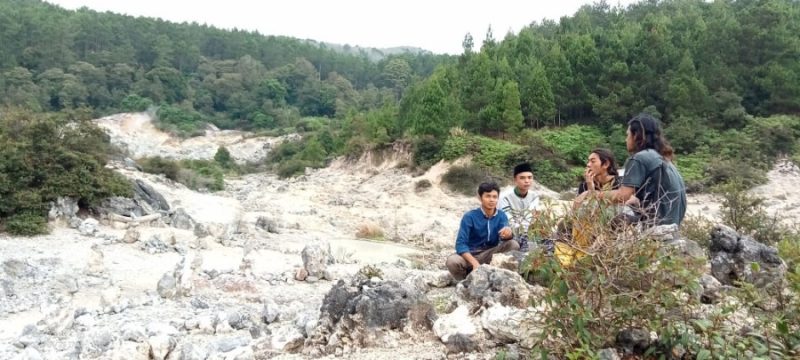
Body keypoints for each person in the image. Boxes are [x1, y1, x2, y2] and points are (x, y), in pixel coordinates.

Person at [576, 113, 687, 226]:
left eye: (627, 135)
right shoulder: (663, 159)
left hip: (657, 223)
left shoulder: (640, 158)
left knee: (597, 214)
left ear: (636, 135)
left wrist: (593, 194)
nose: (626, 139)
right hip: (673, 222)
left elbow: (623, 196)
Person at [446, 182, 519, 280]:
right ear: (480, 197)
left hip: (490, 254)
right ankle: (464, 281)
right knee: (452, 261)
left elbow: (506, 236)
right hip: (470, 255)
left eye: (494, 197)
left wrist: (508, 234)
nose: (492, 200)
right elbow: (460, 244)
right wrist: (474, 263)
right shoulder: (470, 216)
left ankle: (495, 275)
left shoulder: (501, 215)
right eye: (488, 196)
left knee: (513, 244)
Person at [499, 163, 539, 251]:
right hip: (509, 232)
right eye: (522, 178)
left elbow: (530, 218)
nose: (527, 181)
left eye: (530, 177)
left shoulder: (534, 196)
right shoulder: (505, 197)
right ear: (515, 180)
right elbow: (508, 220)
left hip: (527, 232)